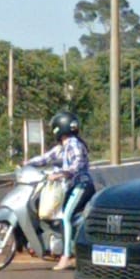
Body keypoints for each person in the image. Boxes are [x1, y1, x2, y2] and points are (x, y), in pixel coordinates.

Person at [33, 110, 95, 270]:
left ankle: (66, 256)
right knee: (64, 216)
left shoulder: (74, 144)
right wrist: (28, 163)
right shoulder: (63, 146)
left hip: (81, 185)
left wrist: (61, 174)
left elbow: (77, 165)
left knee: (65, 217)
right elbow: (46, 158)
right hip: (72, 186)